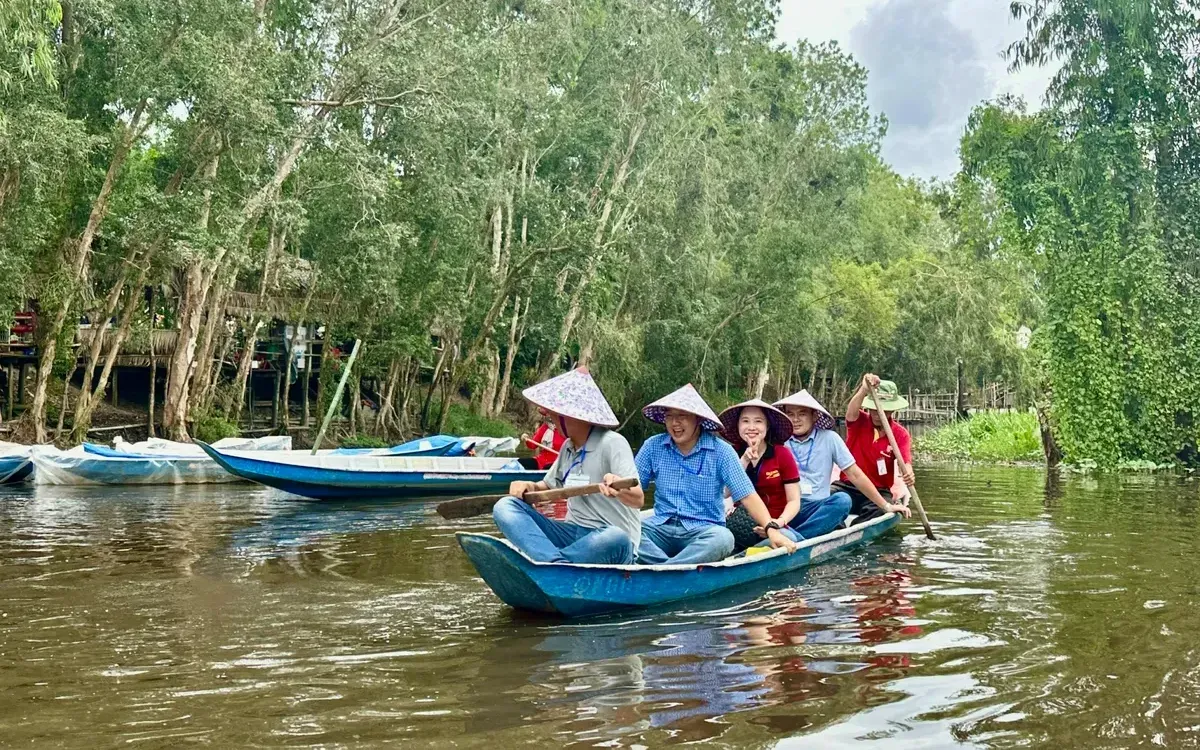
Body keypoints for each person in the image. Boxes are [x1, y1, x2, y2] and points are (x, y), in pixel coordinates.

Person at [493, 367, 645, 564]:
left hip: (608, 540)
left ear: (574, 415)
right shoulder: (568, 447)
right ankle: (556, 563)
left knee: (616, 537)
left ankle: (551, 563)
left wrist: (618, 487)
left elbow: (639, 499)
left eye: (555, 415)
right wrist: (528, 486)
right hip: (573, 536)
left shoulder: (613, 443)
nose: (552, 421)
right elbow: (547, 487)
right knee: (505, 506)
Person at [635, 384, 796, 565]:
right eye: (669, 416)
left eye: (682, 416)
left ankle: (662, 569)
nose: (674, 423)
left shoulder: (722, 451)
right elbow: (634, 488)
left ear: (698, 420)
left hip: (703, 531)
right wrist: (617, 487)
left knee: (724, 539)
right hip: (660, 527)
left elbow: (747, 495)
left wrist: (770, 528)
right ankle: (669, 569)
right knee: (624, 531)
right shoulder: (652, 446)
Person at [773, 389, 910, 535]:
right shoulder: (777, 441)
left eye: (802, 414)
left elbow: (855, 474)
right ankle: (806, 533)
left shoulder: (830, 438)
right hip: (787, 506)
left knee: (842, 501)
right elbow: (851, 412)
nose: (795, 419)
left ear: (814, 416)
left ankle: (798, 537)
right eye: (790, 414)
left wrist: (887, 506)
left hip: (818, 505)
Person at [717, 399, 803, 551]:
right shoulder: (730, 453)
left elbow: (794, 500)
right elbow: (724, 493)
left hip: (776, 524)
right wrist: (744, 460)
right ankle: (746, 555)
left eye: (758, 421)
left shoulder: (781, 454)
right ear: (738, 425)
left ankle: (747, 554)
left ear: (767, 426)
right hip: (742, 524)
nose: (751, 427)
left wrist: (778, 523)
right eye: (745, 421)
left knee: (790, 537)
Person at [836, 374, 915, 525]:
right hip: (848, 486)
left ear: (893, 410)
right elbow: (851, 412)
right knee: (828, 500)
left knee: (881, 509)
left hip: (879, 490)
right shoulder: (859, 421)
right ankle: (836, 528)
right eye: (876, 409)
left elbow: (905, 462)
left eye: (886, 410)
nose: (879, 414)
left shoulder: (900, 434)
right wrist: (864, 390)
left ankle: (857, 528)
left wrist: (909, 473)